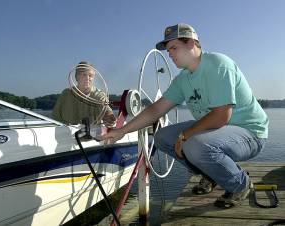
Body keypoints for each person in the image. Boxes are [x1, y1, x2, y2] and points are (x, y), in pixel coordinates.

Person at [101, 23, 269, 208]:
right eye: (168, 51)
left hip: (251, 133)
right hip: (218, 131)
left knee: (196, 145)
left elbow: (222, 116)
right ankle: (210, 174)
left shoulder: (218, 65)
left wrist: (185, 135)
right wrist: (122, 131)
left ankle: (240, 184)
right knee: (162, 137)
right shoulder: (183, 80)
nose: (170, 54)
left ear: (192, 43)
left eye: (174, 48)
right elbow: (157, 109)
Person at [53, 61, 116, 127]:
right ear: (76, 77)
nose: (87, 78)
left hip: (92, 135)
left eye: (90, 75)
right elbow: (55, 116)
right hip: (66, 134)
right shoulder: (66, 94)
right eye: (84, 74)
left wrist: (109, 117)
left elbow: (106, 109)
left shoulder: (99, 95)